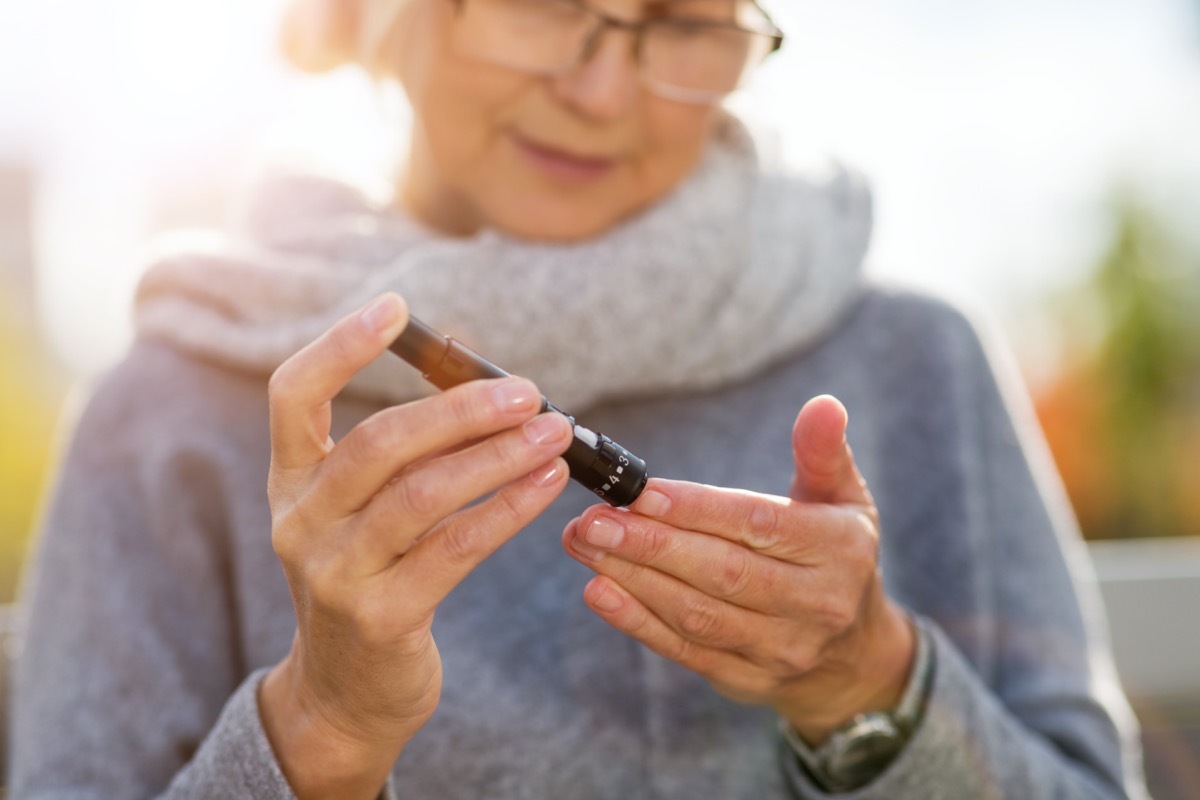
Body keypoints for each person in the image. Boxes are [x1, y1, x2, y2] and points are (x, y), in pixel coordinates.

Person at [10, 0, 1149, 798]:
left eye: (683, 17)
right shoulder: (169, 412)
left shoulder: (916, 360)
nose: (602, 90)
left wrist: (874, 685)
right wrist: (322, 730)